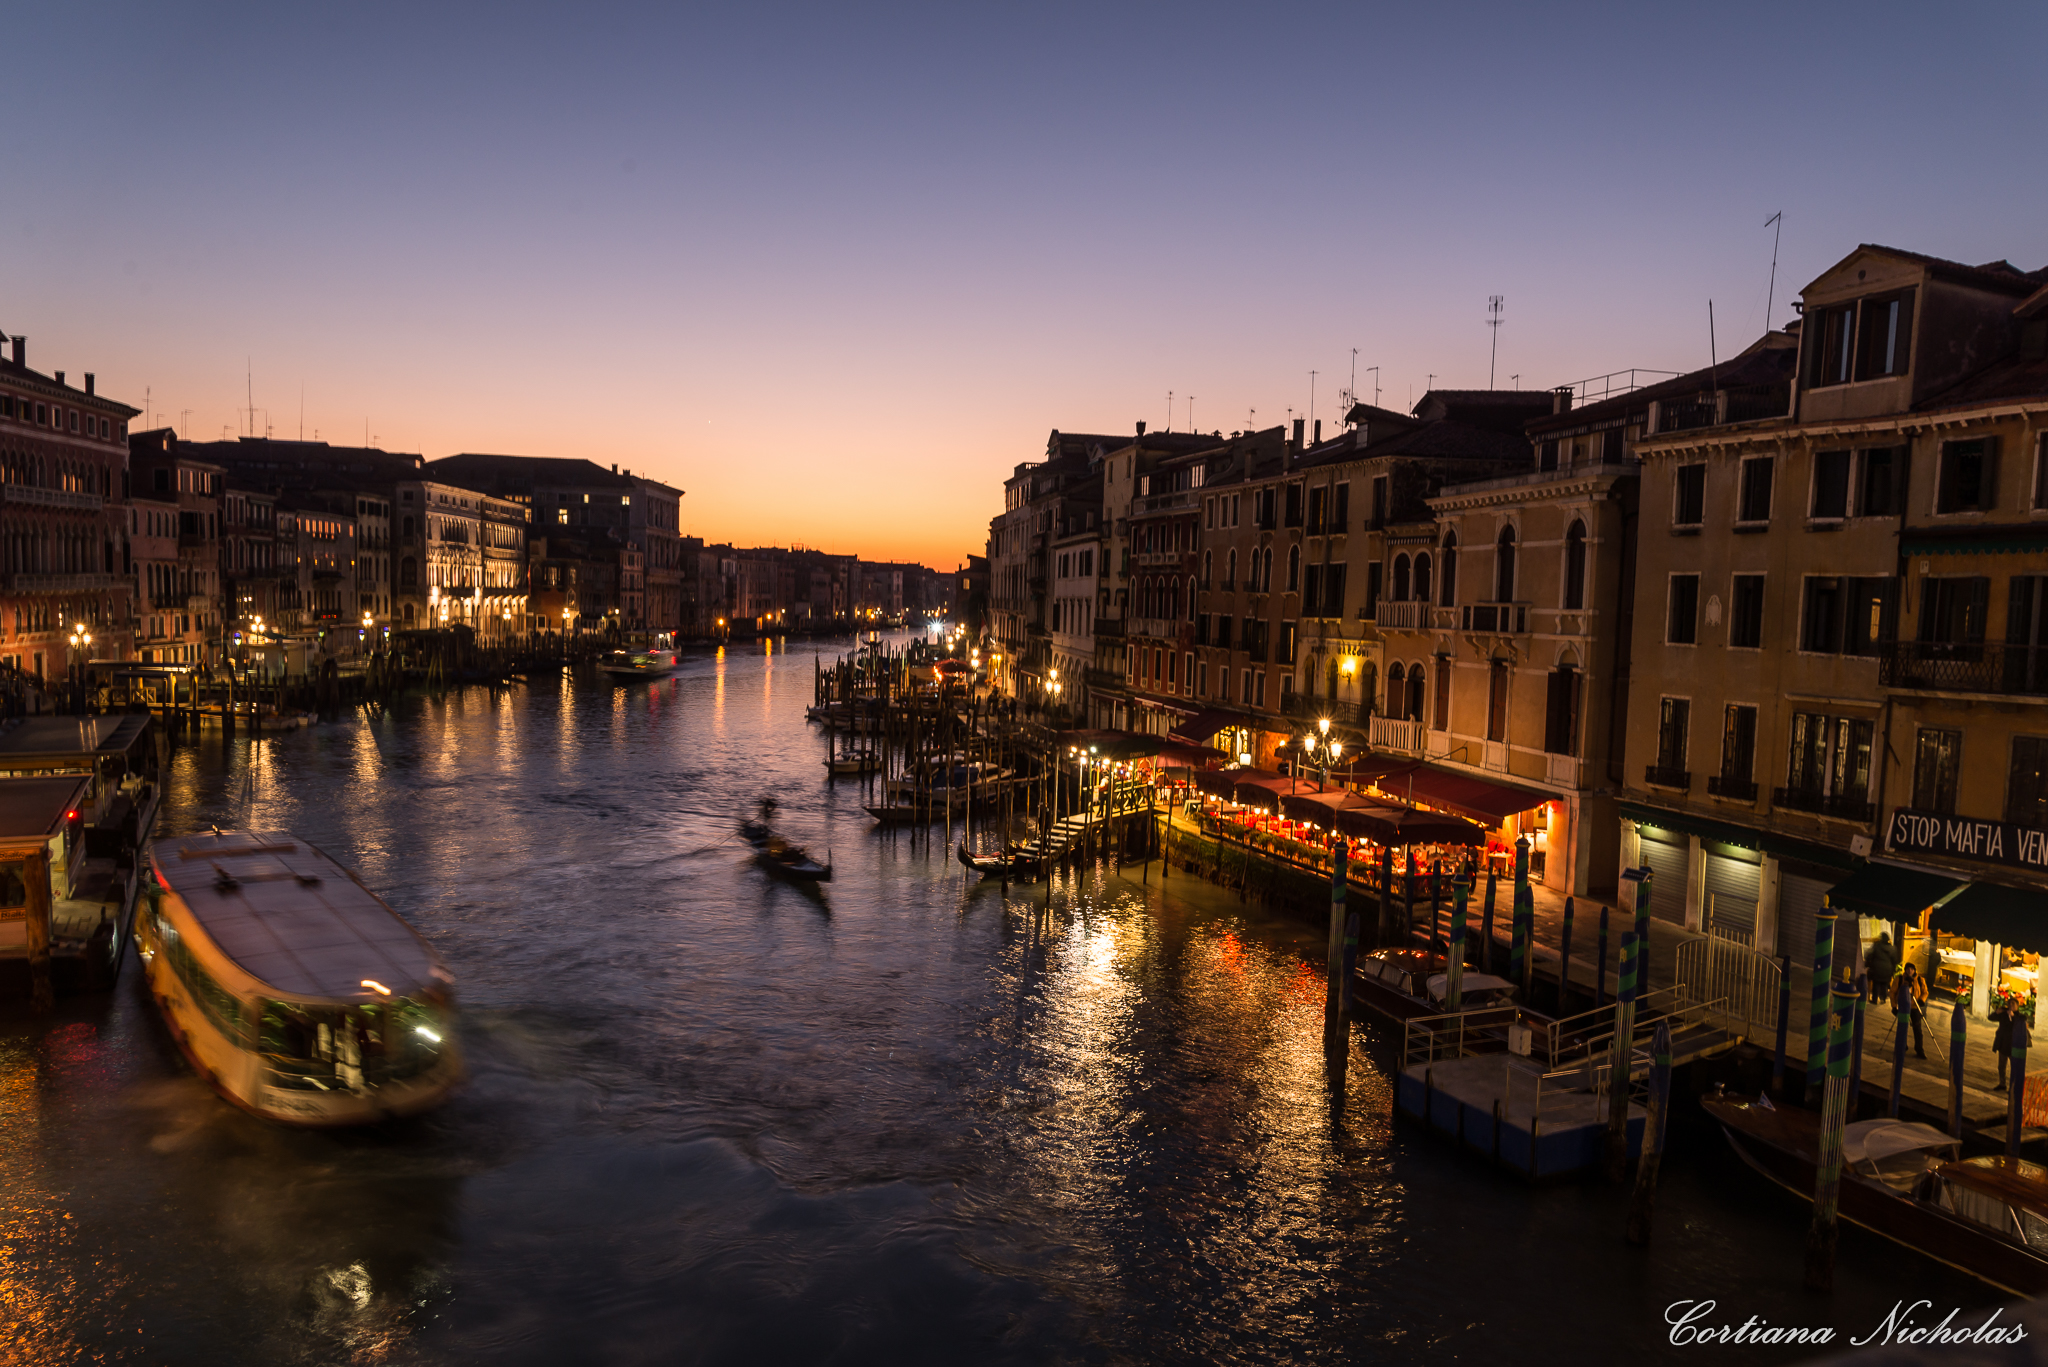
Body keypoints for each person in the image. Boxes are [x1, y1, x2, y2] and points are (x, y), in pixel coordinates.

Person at [1893, 962, 1929, 1059]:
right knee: (1902, 1027)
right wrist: (1894, 1006)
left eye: (1912, 969)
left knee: (1917, 1029)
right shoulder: (1900, 979)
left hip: (1914, 1007)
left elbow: (1925, 992)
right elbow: (1893, 993)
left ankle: (1919, 1049)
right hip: (1903, 1007)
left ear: (1914, 970)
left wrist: (1921, 1000)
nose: (1910, 971)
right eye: (1908, 969)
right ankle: (1902, 1046)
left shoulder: (1920, 980)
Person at [1865, 932, 1897, 1004]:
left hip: (1877, 968)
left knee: (1876, 984)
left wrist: (1867, 964)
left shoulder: (1877, 946)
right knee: (1884, 984)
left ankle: (1874, 999)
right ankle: (1883, 998)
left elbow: (1870, 955)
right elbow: (1894, 960)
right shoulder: (1892, 948)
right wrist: (1893, 970)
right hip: (1888, 969)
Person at [1993, 998, 2016, 1092]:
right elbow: (1991, 1017)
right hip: (2003, 1044)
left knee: (2014, 1068)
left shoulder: (2019, 1016)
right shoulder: (2004, 1014)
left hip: (2013, 1046)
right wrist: (1997, 1012)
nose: (2011, 1006)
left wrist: (2013, 1017)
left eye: (2013, 1004)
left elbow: (2021, 1023)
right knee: (2001, 1066)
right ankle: (2002, 1083)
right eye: (2009, 1004)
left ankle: (2013, 1086)